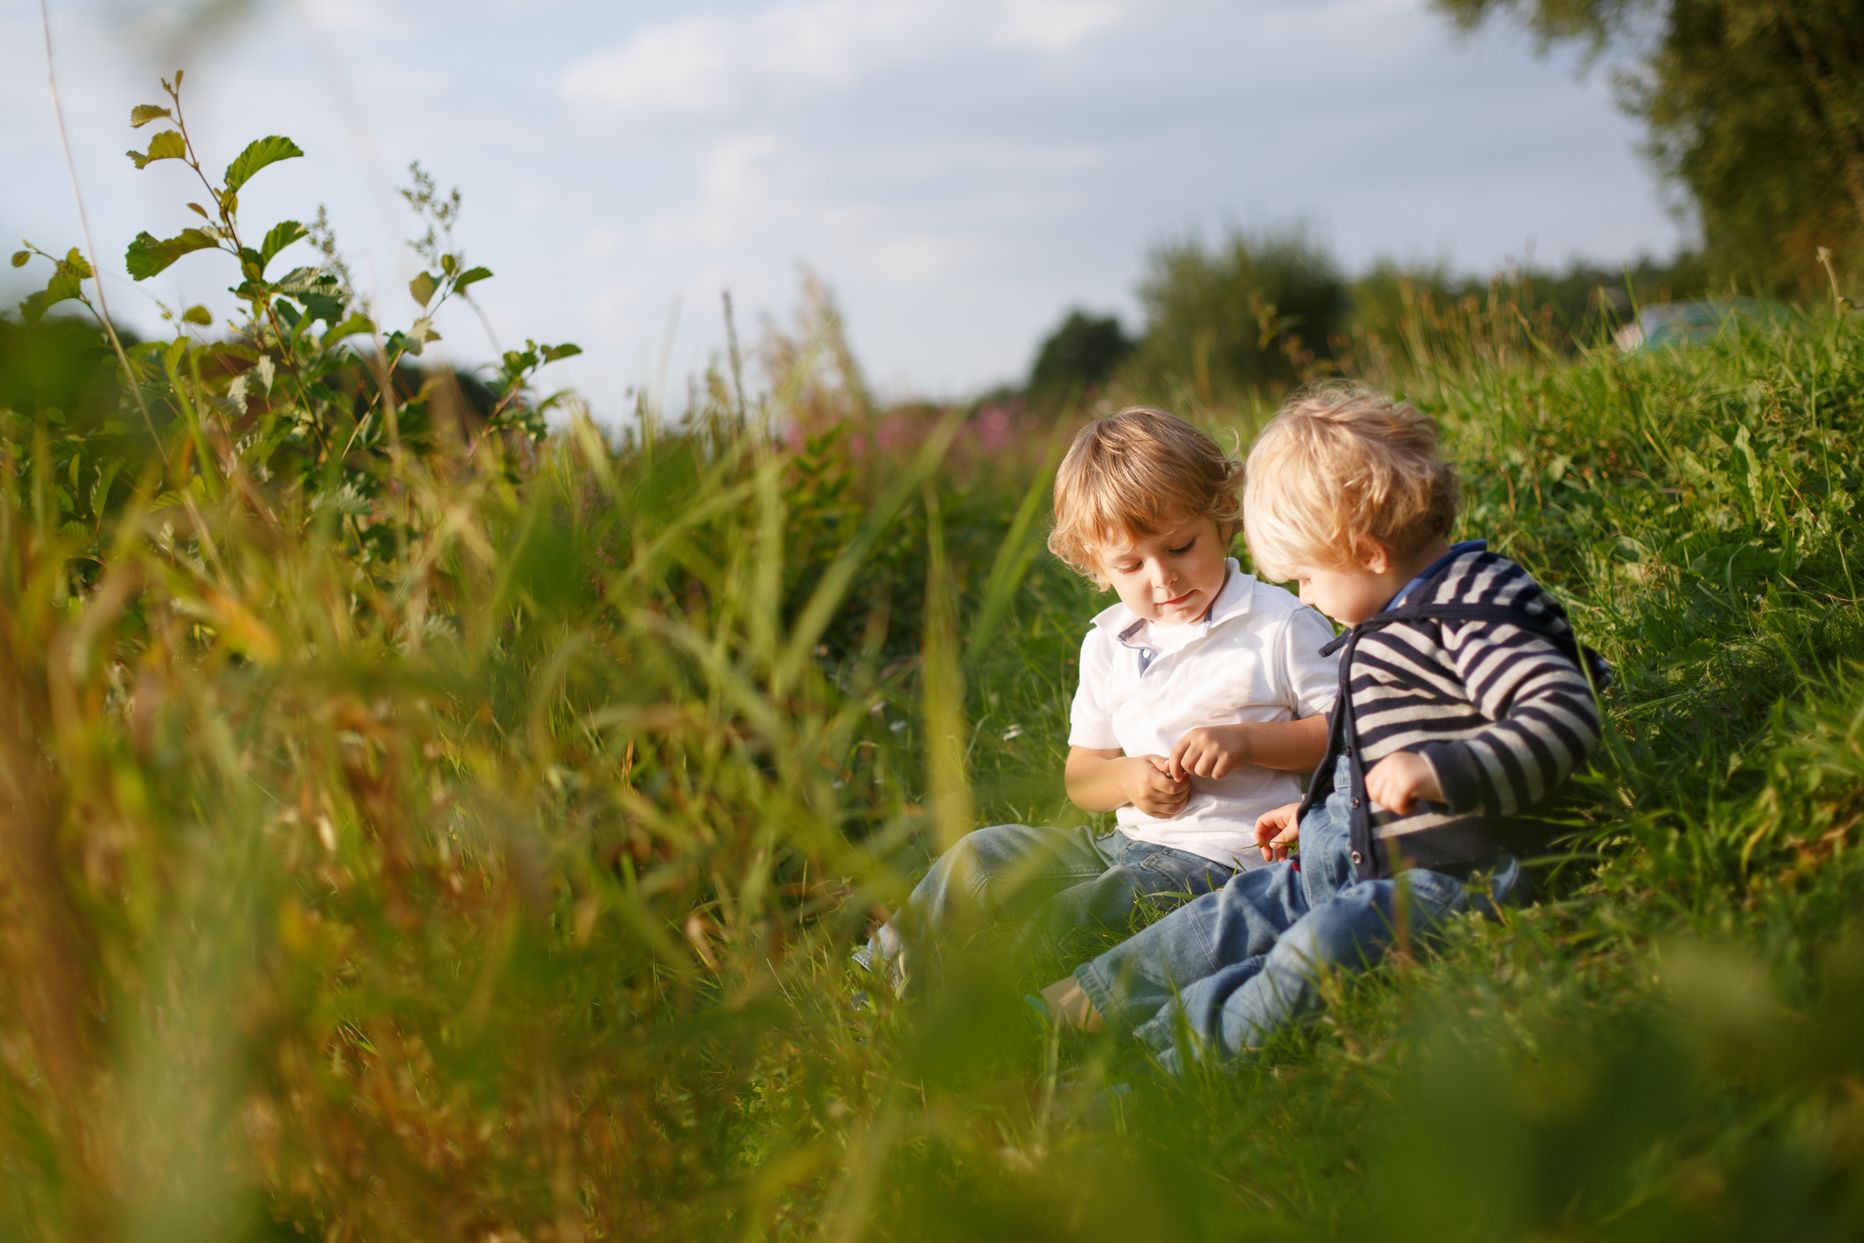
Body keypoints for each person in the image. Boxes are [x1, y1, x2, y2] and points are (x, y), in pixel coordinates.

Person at [1041, 384, 1605, 1069]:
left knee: (1316, 952)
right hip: (1353, 854)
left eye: (1305, 576)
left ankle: (1165, 1067)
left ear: (1366, 552)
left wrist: (1441, 771)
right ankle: (1079, 1012)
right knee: (1235, 912)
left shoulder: (1472, 609)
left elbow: (1562, 713)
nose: (1302, 595)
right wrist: (1313, 811)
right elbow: (1374, 749)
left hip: (1454, 871)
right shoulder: (1387, 620)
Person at [858, 407, 1337, 994]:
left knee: (1068, 917)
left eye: (1181, 546)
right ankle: (870, 982)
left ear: (1221, 519)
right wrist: (1127, 778)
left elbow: (1347, 732)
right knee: (981, 853)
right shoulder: (1110, 641)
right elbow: (1082, 777)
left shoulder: (1278, 623)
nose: (1163, 578)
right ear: (1095, 565)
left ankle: (969, 1002)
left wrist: (1250, 743)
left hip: (1221, 859)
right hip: (1121, 843)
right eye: (1131, 565)